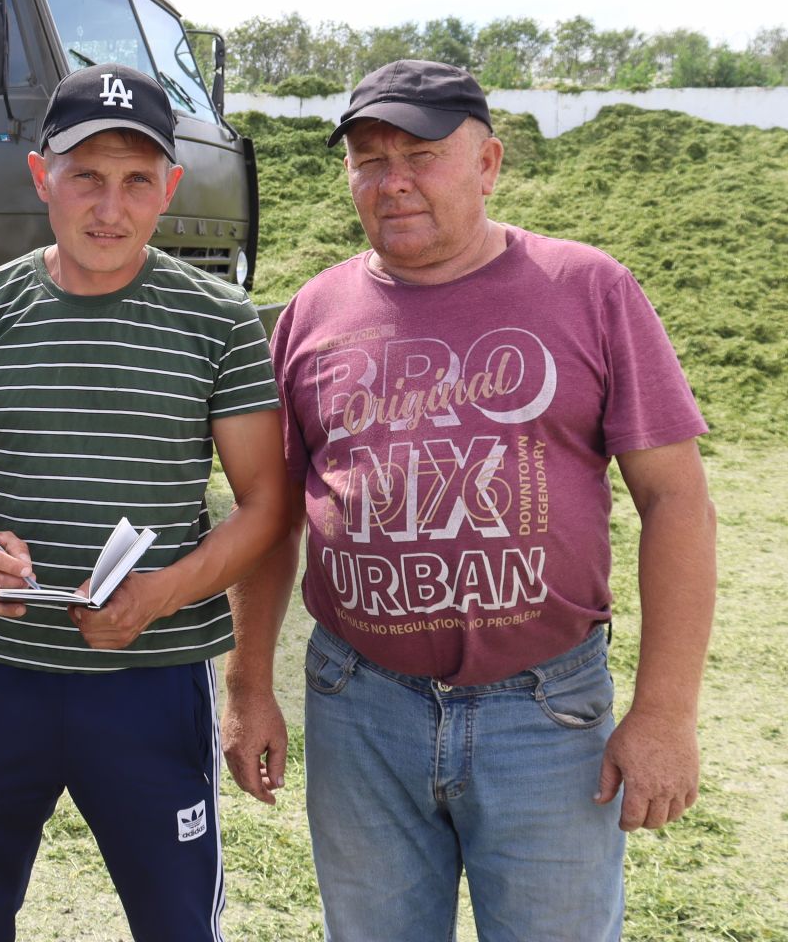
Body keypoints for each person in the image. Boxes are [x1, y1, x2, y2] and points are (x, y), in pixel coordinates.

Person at [221, 60, 716, 941]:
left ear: (488, 164)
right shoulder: (310, 314)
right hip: (359, 707)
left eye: (422, 154)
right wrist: (247, 685)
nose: (394, 180)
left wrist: (667, 712)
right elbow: (275, 515)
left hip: (547, 716)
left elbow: (676, 500)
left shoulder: (590, 290)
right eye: (370, 159)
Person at [0, 63, 290, 942]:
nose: (108, 207)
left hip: (149, 685)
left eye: (135, 181)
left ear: (169, 191)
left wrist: (163, 593)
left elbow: (264, 504)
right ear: (42, 176)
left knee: (177, 923)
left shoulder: (219, 322)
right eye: (85, 176)